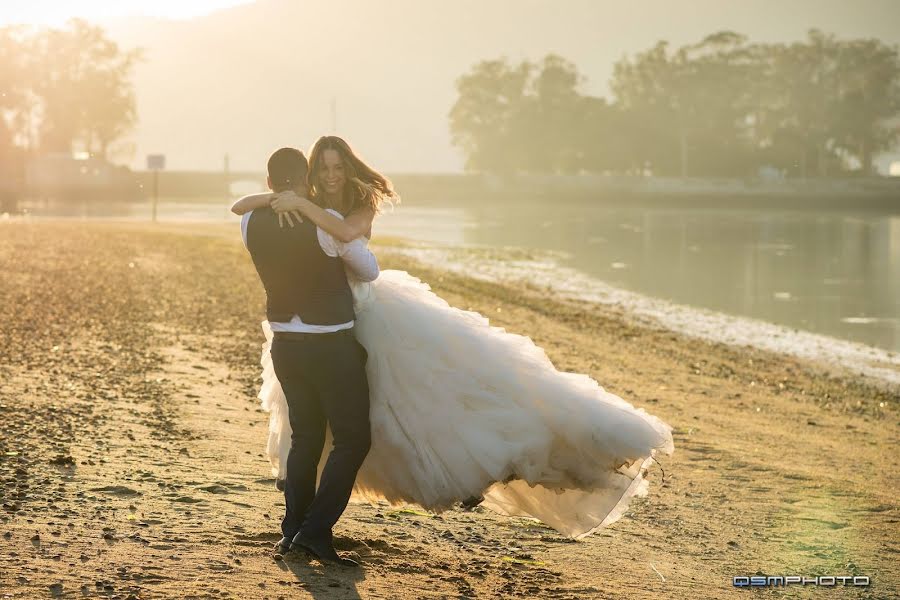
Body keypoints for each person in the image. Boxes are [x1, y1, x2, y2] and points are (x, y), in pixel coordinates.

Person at [233, 136, 674, 540]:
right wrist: (284, 199)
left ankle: (475, 472)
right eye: (323, 168)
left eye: (337, 167)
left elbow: (349, 238)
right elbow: (244, 205)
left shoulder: (354, 201)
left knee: (425, 400)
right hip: (333, 321)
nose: (331, 175)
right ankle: (308, 527)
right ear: (310, 173)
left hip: (365, 311)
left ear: (348, 169)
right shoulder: (301, 202)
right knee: (332, 429)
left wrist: (297, 205)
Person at [239, 146, 378, 567]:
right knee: (353, 439)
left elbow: (242, 206)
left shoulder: (248, 222)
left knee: (306, 437)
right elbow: (368, 269)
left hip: (285, 344)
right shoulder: (327, 224)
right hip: (330, 344)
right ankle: (315, 533)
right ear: (306, 181)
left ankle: (293, 530)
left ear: (268, 184)